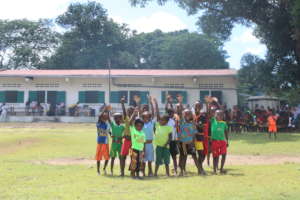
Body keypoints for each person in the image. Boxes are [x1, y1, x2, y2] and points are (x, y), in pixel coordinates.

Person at [177, 109, 200, 176]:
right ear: (183, 115)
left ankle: (200, 170)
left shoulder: (192, 124)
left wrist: (193, 143)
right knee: (183, 157)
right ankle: (182, 171)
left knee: (194, 156)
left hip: (191, 143)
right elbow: (179, 133)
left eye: (189, 114)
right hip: (183, 143)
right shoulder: (181, 123)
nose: (187, 115)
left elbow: (194, 134)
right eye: (185, 114)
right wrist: (178, 142)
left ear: (191, 115)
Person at [153, 98, 173, 176]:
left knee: (166, 161)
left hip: (166, 147)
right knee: (158, 160)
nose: (161, 121)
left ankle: (167, 173)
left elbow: (170, 137)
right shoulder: (158, 125)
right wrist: (156, 104)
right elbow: (158, 114)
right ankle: (155, 173)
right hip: (158, 146)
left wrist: (166, 143)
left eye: (163, 120)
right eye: (160, 120)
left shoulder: (168, 127)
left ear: (167, 121)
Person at [211, 109, 229, 174]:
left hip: (222, 142)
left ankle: (221, 169)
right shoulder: (212, 121)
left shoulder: (224, 123)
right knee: (215, 156)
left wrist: (227, 141)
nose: (220, 116)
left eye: (221, 115)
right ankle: (214, 170)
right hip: (215, 141)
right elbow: (209, 113)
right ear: (215, 115)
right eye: (218, 114)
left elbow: (226, 132)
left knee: (224, 155)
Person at [129, 110, 145, 179]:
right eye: (138, 126)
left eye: (141, 126)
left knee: (139, 163)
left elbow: (143, 143)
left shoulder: (143, 133)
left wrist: (143, 151)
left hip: (140, 150)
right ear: (135, 126)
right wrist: (133, 114)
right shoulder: (133, 130)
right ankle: (132, 174)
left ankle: (137, 174)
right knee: (134, 162)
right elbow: (130, 123)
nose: (139, 127)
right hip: (134, 149)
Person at [120, 97, 134, 177]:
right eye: (129, 111)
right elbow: (124, 112)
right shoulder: (126, 118)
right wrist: (122, 104)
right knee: (123, 157)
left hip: (133, 141)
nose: (129, 112)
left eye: (131, 111)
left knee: (133, 157)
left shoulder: (135, 119)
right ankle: (122, 172)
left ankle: (132, 172)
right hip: (126, 140)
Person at [141, 96, 155, 176]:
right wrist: (138, 103)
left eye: (148, 117)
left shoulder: (151, 123)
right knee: (143, 159)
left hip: (150, 144)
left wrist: (151, 102)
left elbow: (153, 112)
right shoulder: (141, 124)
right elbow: (140, 111)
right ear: (142, 117)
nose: (146, 118)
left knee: (149, 160)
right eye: (144, 117)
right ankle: (143, 172)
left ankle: (150, 171)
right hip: (143, 144)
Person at [165, 95, 179, 175]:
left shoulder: (175, 120)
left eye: (172, 113)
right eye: (169, 113)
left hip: (173, 141)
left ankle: (176, 169)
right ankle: (167, 172)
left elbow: (176, 131)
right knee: (167, 157)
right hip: (167, 141)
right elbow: (167, 108)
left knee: (174, 156)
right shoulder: (166, 120)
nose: (170, 114)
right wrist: (167, 101)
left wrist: (176, 139)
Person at [95, 108, 110, 175]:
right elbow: (99, 116)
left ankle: (104, 169)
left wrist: (111, 134)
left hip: (106, 143)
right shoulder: (98, 123)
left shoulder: (107, 124)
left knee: (107, 157)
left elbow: (109, 132)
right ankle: (98, 170)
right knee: (98, 157)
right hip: (100, 142)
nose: (104, 118)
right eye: (103, 117)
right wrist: (105, 110)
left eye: (106, 117)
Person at [193, 101, 207, 175]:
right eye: (196, 106)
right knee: (197, 154)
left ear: (201, 107)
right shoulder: (191, 115)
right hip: (193, 138)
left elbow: (202, 126)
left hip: (200, 137)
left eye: (199, 106)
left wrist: (195, 124)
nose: (197, 107)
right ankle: (200, 169)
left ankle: (200, 168)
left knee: (202, 154)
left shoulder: (202, 117)